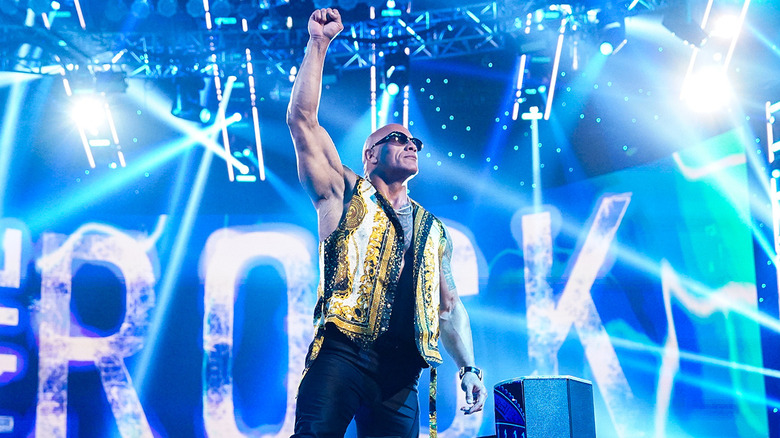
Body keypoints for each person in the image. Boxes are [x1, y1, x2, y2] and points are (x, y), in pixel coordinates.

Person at [286, 8, 487, 438]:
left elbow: (448, 307)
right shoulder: (343, 191)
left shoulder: (433, 230)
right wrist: (318, 44)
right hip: (342, 354)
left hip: (401, 374)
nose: (410, 144)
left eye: (414, 141)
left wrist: (468, 367)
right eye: (398, 138)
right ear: (371, 154)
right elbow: (302, 123)